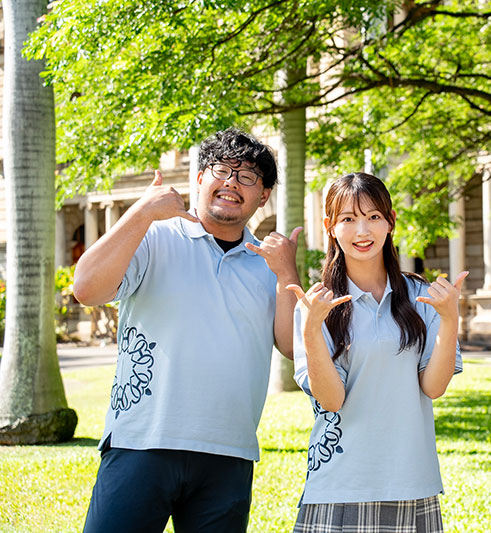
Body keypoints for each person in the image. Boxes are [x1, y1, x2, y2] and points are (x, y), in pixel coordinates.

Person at [73, 127, 301, 533]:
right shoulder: (152, 237)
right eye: (221, 170)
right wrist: (141, 212)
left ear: (264, 195)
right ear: (199, 178)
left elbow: (291, 346)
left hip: (228, 453)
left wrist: (286, 273)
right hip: (141, 442)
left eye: (247, 176)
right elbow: (86, 289)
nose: (232, 182)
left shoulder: (267, 265)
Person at [287, 172, 467, 533]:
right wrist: (311, 330)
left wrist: (450, 320)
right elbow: (331, 400)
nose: (362, 231)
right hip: (340, 483)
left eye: (373, 216)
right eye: (348, 219)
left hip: (411, 479)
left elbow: (434, 387)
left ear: (390, 221)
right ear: (330, 226)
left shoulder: (421, 296)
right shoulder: (316, 306)